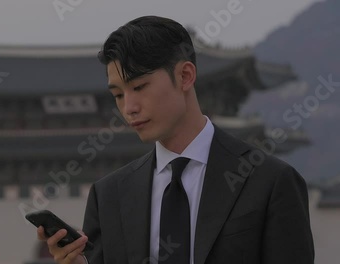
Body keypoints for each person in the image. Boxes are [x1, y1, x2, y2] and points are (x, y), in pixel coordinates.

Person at [37, 15, 315, 264]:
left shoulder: (270, 182)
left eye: (139, 87)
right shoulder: (109, 195)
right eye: (118, 95)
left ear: (185, 76)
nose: (129, 108)